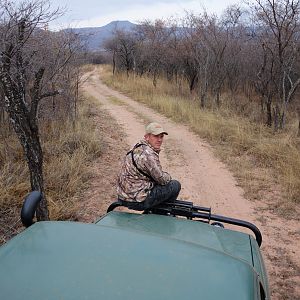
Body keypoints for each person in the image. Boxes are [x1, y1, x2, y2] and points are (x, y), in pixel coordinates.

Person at [116, 122, 181, 211]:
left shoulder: (137, 146)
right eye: (156, 136)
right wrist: (168, 176)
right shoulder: (148, 154)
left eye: (161, 136)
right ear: (147, 137)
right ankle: (160, 215)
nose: (159, 140)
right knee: (175, 185)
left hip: (123, 196)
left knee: (156, 184)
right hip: (136, 200)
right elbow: (162, 179)